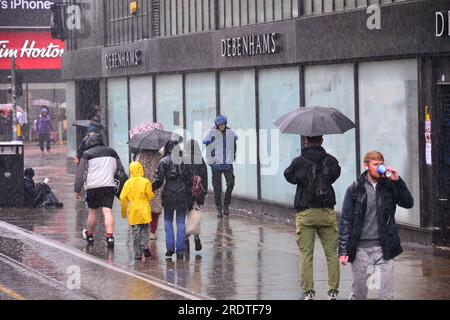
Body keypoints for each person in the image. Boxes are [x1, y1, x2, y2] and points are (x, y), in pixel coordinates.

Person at [338, 151, 413, 300]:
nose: (379, 167)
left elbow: (408, 202)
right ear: (366, 166)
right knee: (359, 294)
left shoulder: (389, 186)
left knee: (386, 295)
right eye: (375, 164)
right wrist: (343, 251)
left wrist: (398, 180)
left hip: (384, 248)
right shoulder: (355, 189)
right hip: (360, 249)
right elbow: (346, 220)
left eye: (381, 164)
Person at [284, 135, 341, 300]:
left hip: (306, 212)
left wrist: (302, 178)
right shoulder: (330, 160)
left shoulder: (299, 161)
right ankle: (332, 292)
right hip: (326, 211)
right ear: (322, 141)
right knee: (331, 253)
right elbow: (335, 174)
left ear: (306, 141)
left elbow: (289, 176)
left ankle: (309, 292)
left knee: (306, 254)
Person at [74, 133, 125, 247]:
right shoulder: (112, 152)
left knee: (92, 211)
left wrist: (77, 189)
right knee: (107, 211)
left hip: (92, 187)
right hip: (108, 185)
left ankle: (90, 236)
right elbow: (120, 170)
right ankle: (110, 237)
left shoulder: (86, 154)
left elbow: (81, 173)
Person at [152, 139, 192, 260]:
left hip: (169, 194)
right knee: (181, 222)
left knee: (168, 220)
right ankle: (180, 250)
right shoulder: (185, 160)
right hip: (183, 194)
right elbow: (190, 178)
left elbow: (159, 180)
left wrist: (150, 188)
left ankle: (170, 249)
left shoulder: (164, 161)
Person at [203, 115, 238, 217]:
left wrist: (233, 155)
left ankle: (226, 205)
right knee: (217, 187)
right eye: (220, 125)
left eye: (223, 125)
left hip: (227, 163)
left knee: (231, 183)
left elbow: (234, 144)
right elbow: (207, 145)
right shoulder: (211, 132)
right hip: (216, 164)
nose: (222, 127)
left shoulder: (230, 132)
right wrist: (210, 161)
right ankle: (219, 208)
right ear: (217, 125)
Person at [134, 122, 164, 240]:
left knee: (144, 206)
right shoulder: (159, 156)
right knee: (155, 209)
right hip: (156, 185)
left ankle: (144, 229)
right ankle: (153, 232)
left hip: (143, 184)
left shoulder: (141, 155)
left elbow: (136, 168)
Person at [120, 162, 154, 260]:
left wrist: (123, 212)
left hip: (133, 210)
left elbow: (122, 198)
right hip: (144, 209)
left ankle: (137, 253)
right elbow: (150, 196)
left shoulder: (128, 183)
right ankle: (145, 246)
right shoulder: (146, 181)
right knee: (145, 230)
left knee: (135, 232)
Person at [183, 139, 208, 253]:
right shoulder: (201, 160)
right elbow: (205, 178)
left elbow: (182, 177)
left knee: (186, 216)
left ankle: (186, 240)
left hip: (186, 193)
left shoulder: (184, 160)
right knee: (196, 215)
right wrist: (204, 192)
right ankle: (196, 236)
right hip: (198, 193)